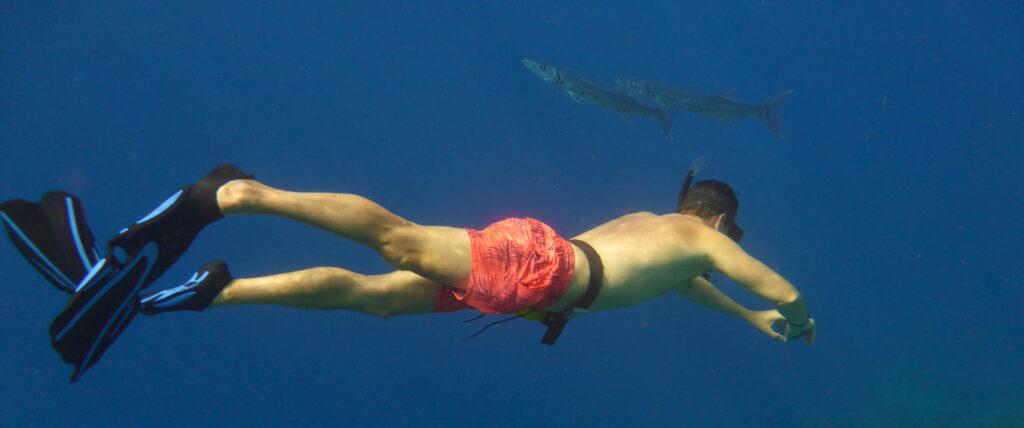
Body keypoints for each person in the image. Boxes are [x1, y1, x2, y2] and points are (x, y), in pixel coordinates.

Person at [1, 163, 815, 381]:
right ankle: (242, 194)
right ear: (715, 217)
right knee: (395, 240)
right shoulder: (697, 232)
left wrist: (749, 323)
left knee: (378, 301)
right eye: (729, 230)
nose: (728, 242)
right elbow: (770, 281)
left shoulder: (665, 235)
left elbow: (698, 288)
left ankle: (214, 290)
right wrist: (798, 317)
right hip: (542, 269)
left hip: (535, 285)